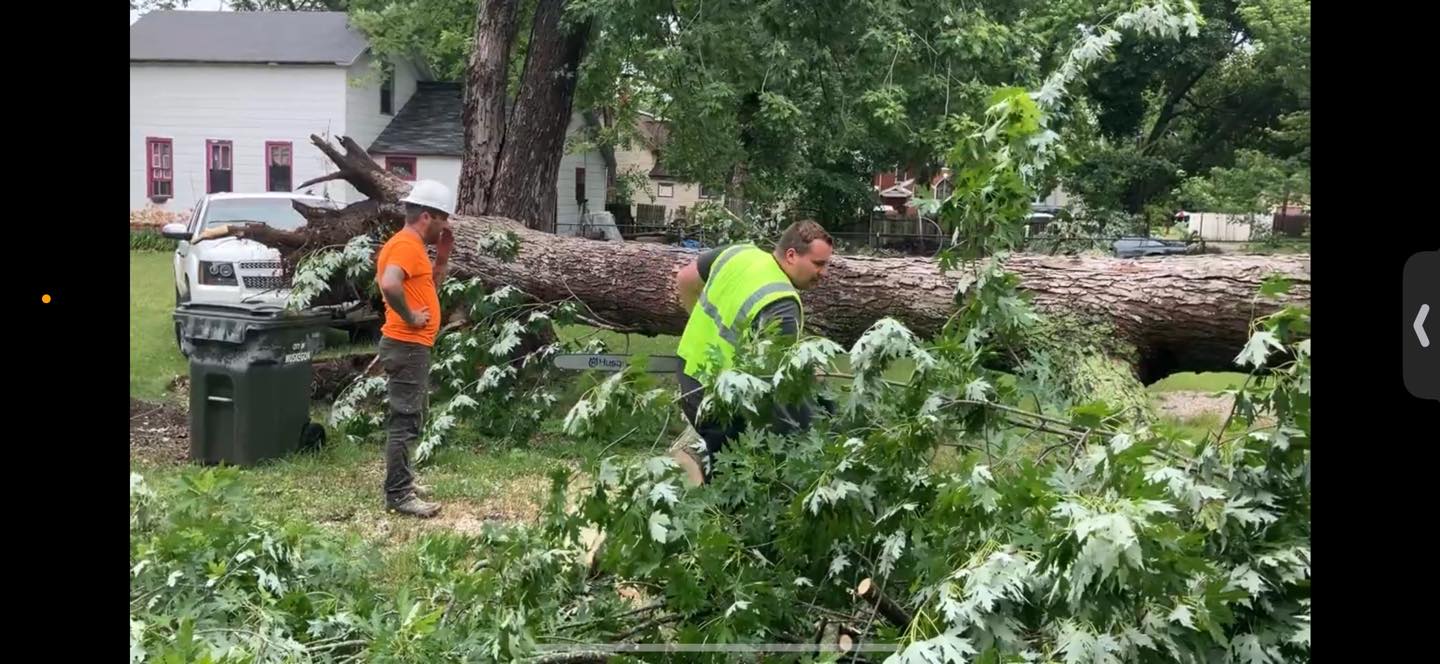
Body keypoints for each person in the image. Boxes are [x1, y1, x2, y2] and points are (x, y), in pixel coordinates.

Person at [671, 220, 834, 482]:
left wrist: (698, 324)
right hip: (721, 402)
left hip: (688, 371)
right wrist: (811, 376)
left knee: (724, 461)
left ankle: (700, 459)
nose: (823, 273)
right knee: (735, 485)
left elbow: (685, 278)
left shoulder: (740, 253)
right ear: (792, 256)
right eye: (818, 264)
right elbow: (778, 381)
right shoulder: (780, 302)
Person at [375, 179, 454, 518]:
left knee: (411, 416)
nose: (445, 225)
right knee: (405, 420)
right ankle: (399, 495)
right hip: (406, 344)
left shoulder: (411, 246)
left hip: (411, 346)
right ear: (426, 216)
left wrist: (442, 260)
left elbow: (425, 289)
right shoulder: (406, 245)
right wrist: (409, 315)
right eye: (442, 219)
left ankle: (403, 480)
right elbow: (390, 283)